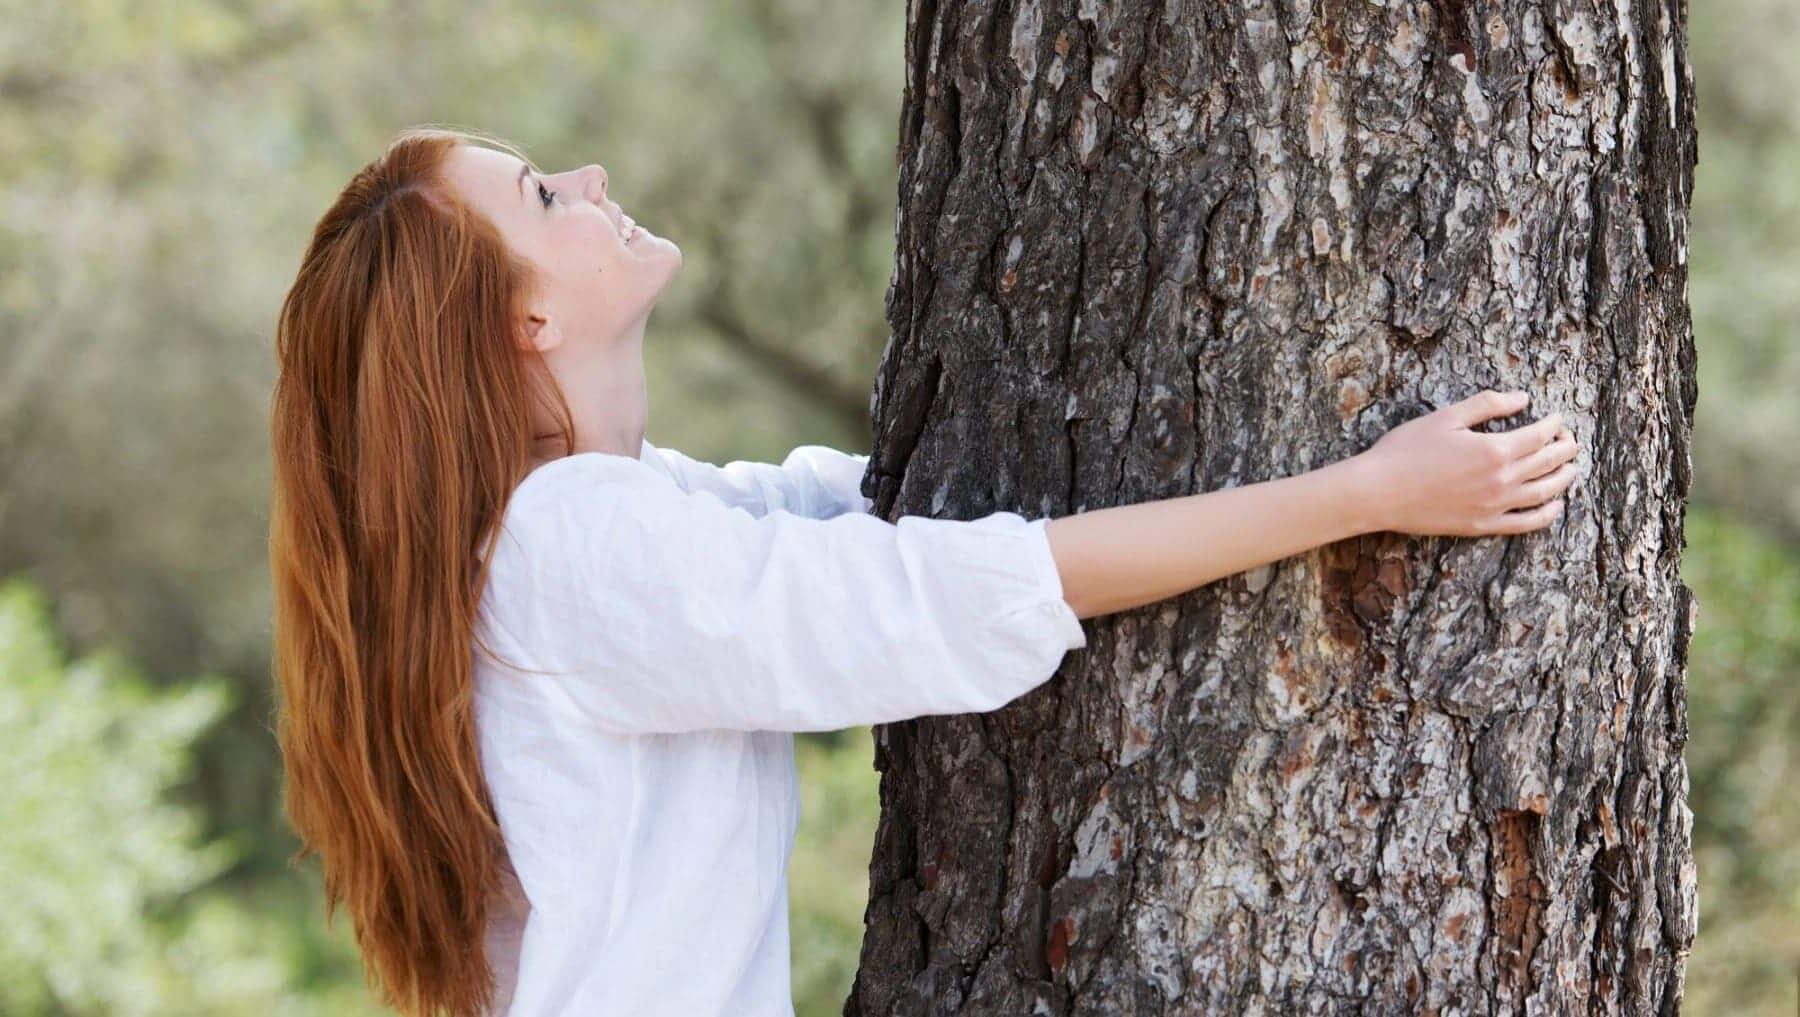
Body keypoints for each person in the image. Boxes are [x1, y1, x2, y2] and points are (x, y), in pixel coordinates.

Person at [268, 126, 1581, 1017]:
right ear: (529, 318)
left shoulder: (614, 518)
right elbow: (950, 591)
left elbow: (869, 518)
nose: (589, 174)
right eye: (543, 197)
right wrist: (1363, 495)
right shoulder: (573, 548)